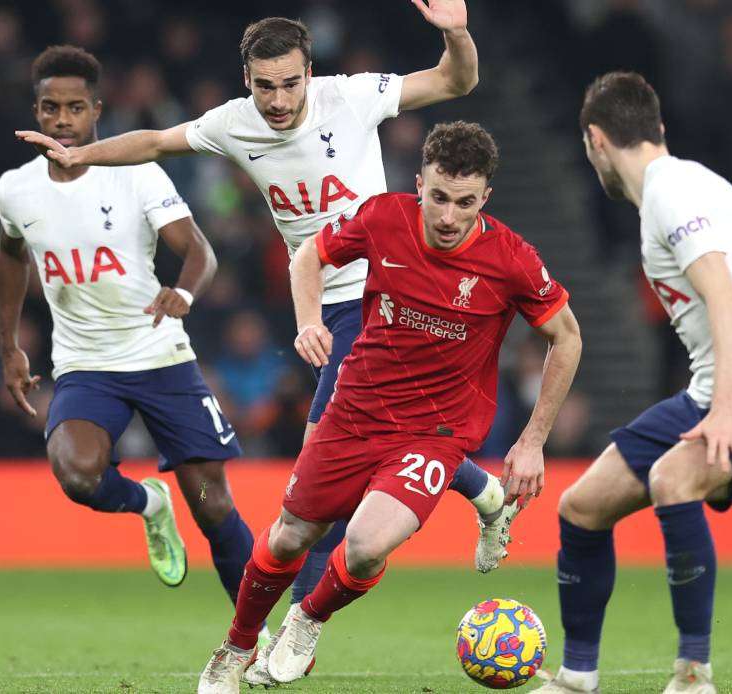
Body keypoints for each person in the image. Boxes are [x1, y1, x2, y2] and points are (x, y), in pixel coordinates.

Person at [15, 5, 520, 679]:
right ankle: (479, 488)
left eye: (290, 83)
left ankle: (294, 630)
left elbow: (454, 82)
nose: (279, 101)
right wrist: (83, 153)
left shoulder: (352, 96)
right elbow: (157, 141)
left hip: (388, 292)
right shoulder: (233, 124)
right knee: (359, 454)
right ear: (246, 82)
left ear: (310, 73)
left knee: (320, 470)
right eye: (264, 87)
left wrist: (456, 31)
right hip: (324, 300)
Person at [194, 121, 582, 692]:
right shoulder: (382, 217)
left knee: (367, 543)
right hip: (355, 412)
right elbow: (308, 256)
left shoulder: (510, 259)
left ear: (486, 198)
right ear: (419, 183)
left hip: (436, 433)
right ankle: (236, 646)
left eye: (466, 203)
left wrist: (532, 441)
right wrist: (307, 321)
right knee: (288, 538)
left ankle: (306, 620)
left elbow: (567, 338)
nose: (449, 217)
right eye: (439, 198)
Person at [536, 72, 732, 694]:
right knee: (582, 507)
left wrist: (722, 410)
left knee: (673, 478)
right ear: (657, 129)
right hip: (712, 389)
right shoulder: (687, 183)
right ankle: (576, 678)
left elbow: (725, 299)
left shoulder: (672, 194)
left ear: (595, 141)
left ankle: (694, 676)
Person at [0, 47, 254, 612]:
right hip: (87, 368)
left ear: (97, 111)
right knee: (77, 475)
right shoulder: (16, 189)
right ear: (35, 112)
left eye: (75, 108)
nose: (62, 120)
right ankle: (149, 505)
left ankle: (257, 637)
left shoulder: (135, 174)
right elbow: (10, 256)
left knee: (212, 506)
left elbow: (199, 252)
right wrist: (9, 346)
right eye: (50, 107)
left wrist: (182, 292)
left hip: (161, 359)